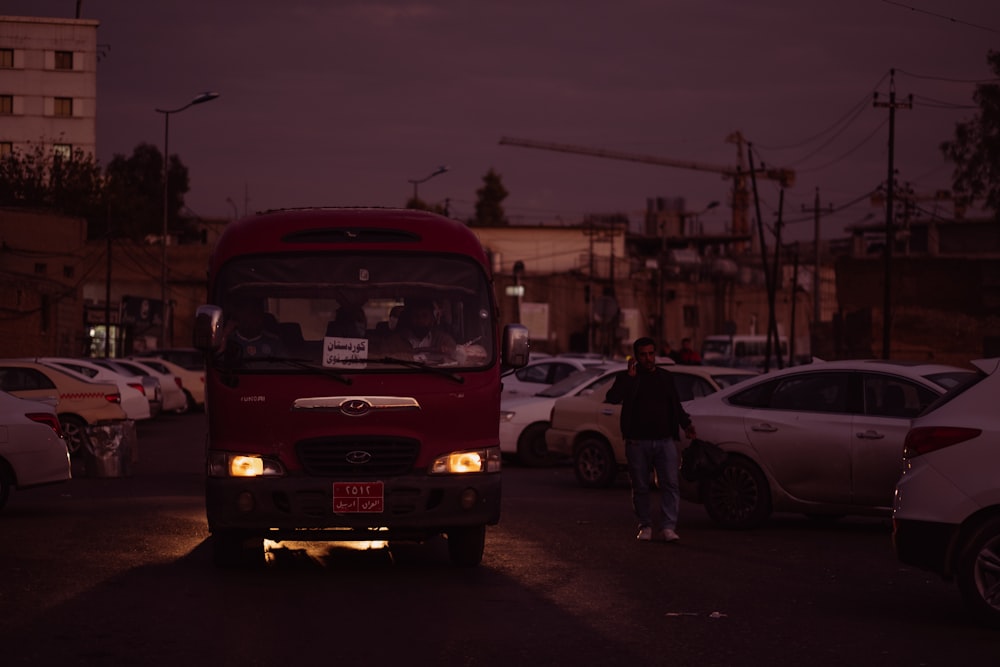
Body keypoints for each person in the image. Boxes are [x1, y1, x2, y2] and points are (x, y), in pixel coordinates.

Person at [606, 336, 696, 543]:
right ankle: (645, 525)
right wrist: (629, 377)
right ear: (636, 357)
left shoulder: (665, 377)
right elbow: (612, 397)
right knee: (640, 486)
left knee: (670, 485)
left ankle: (668, 527)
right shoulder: (629, 378)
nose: (648, 359)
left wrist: (686, 424)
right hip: (637, 442)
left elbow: (675, 404)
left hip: (664, 441)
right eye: (643, 355)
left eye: (651, 354)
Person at [221, 295, 285, 361]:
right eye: (246, 314)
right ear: (238, 317)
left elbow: (284, 367)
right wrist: (224, 335)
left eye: (255, 313)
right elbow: (219, 362)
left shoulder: (274, 342)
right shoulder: (228, 341)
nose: (251, 320)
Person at [395, 297, 457, 362]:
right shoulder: (395, 341)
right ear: (410, 318)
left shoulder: (444, 340)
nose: (420, 320)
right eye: (416, 316)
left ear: (432, 319)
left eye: (425, 316)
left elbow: (454, 356)